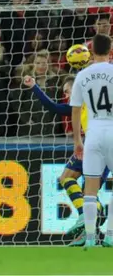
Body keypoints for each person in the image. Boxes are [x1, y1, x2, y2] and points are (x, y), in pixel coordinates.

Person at [22, 74, 108, 246]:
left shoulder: (93, 103)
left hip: (101, 148)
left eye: (68, 91)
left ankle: (92, 220)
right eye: (65, 93)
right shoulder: (77, 107)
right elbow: (53, 107)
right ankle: (90, 224)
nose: (67, 95)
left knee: (81, 190)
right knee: (70, 182)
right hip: (90, 147)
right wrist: (34, 87)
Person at [69, 33, 113, 249]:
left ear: (92, 50)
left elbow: (75, 110)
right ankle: (110, 236)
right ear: (110, 50)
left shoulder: (83, 75)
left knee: (90, 190)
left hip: (93, 134)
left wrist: (78, 140)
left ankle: (89, 238)